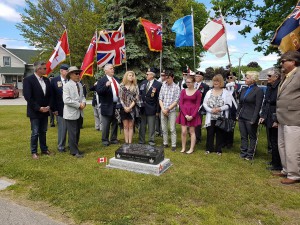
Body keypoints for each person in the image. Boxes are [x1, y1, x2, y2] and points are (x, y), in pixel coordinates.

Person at [274, 51, 300, 184]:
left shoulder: (299, 74)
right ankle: (286, 169)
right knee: (282, 145)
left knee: (292, 147)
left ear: (293, 62)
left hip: (294, 117)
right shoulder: (286, 76)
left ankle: (294, 174)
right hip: (282, 117)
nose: (281, 63)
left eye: (284, 61)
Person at [23, 61, 52, 159]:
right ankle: (34, 152)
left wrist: (48, 106)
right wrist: (39, 108)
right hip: (35, 112)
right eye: (44, 68)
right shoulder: (28, 80)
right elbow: (28, 97)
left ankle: (44, 149)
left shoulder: (47, 80)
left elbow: (49, 95)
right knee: (35, 132)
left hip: (45, 111)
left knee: (43, 131)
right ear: (38, 69)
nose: (46, 70)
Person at [237, 71, 264, 160]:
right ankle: (243, 152)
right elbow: (240, 103)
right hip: (242, 116)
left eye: (247, 78)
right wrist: (237, 114)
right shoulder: (244, 89)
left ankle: (250, 154)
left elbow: (258, 106)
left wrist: (254, 118)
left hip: (251, 117)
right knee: (243, 136)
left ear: (253, 80)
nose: (245, 79)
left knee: (252, 136)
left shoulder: (258, 90)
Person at [203, 74, 232, 155]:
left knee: (219, 133)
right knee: (210, 133)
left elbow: (229, 105)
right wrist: (211, 110)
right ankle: (209, 148)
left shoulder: (226, 92)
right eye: (214, 81)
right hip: (210, 116)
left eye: (217, 81)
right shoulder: (209, 92)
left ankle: (218, 150)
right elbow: (204, 103)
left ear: (221, 82)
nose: (215, 82)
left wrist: (219, 109)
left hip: (220, 117)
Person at [259, 68, 281, 171]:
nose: (267, 77)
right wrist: (262, 115)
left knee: (275, 140)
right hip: (268, 115)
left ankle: (278, 164)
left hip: (275, 115)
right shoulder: (269, 86)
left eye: (269, 76)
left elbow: (279, 104)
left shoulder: (279, 87)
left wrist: (276, 120)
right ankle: (274, 160)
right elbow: (266, 102)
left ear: (276, 77)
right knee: (271, 140)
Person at [63, 66, 86, 158]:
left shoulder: (79, 84)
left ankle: (75, 149)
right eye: (76, 73)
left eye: (78, 73)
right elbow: (66, 100)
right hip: (71, 113)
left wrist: (84, 103)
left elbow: (83, 96)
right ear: (71, 75)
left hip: (79, 113)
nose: (78, 75)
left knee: (77, 133)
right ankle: (74, 151)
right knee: (72, 133)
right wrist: (78, 105)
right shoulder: (67, 86)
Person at [176, 75, 202, 154]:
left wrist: (192, 116)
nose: (187, 84)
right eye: (186, 82)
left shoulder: (197, 92)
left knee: (191, 131)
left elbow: (198, 105)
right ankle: (183, 147)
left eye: (189, 82)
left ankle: (191, 148)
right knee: (183, 131)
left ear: (194, 82)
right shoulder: (183, 91)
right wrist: (185, 115)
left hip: (193, 114)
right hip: (184, 113)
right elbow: (181, 103)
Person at [96, 64, 120, 146]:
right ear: (105, 71)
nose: (113, 70)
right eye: (111, 68)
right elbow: (99, 91)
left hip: (116, 105)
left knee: (115, 122)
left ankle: (113, 138)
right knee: (106, 124)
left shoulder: (116, 79)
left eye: (113, 68)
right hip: (107, 105)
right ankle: (105, 140)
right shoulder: (102, 80)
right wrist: (106, 86)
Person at [139, 68, 162, 146]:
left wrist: (157, 111)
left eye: (147, 74)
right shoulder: (143, 82)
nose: (146, 75)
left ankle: (151, 141)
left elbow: (159, 98)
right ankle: (141, 140)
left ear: (152, 75)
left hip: (152, 108)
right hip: (142, 107)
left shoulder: (158, 84)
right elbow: (140, 94)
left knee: (151, 126)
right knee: (142, 125)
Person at [159, 71, 180, 151]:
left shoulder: (176, 87)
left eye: (169, 78)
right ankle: (165, 143)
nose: (167, 80)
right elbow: (160, 98)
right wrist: (163, 109)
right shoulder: (163, 86)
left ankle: (173, 145)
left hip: (172, 111)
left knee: (172, 128)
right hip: (163, 109)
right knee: (164, 128)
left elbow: (176, 100)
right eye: (166, 78)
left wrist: (168, 109)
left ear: (172, 77)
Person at [50, 64, 69, 152]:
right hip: (60, 108)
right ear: (61, 71)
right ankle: (61, 146)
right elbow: (52, 96)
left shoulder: (70, 80)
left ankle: (71, 144)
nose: (68, 72)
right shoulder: (54, 80)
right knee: (62, 128)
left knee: (72, 128)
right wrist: (54, 109)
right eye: (67, 71)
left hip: (71, 108)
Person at [119, 71, 140, 144]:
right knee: (125, 126)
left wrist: (130, 107)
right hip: (123, 108)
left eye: (132, 75)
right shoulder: (121, 85)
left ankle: (130, 142)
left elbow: (136, 98)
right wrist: (125, 107)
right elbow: (120, 98)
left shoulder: (135, 86)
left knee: (131, 126)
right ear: (126, 76)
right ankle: (126, 142)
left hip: (132, 108)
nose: (131, 77)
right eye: (129, 75)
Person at [223, 72, 238, 148]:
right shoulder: (224, 87)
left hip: (233, 109)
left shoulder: (238, 86)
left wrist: (235, 87)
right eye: (228, 77)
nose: (229, 79)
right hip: (224, 108)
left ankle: (229, 142)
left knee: (231, 125)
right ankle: (223, 141)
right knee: (224, 125)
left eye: (231, 77)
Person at [194, 71, 209, 144]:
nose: (197, 77)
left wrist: (200, 107)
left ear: (202, 77)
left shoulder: (205, 86)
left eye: (198, 76)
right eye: (196, 76)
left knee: (197, 123)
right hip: (191, 107)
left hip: (200, 107)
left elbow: (205, 98)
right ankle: (192, 136)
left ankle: (198, 138)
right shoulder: (192, 84)